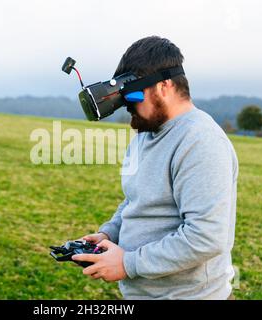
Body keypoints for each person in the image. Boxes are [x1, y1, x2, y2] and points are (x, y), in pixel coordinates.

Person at [72, 35, 238, 300]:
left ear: (164, 86)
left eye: (134, 98)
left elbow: (206, 237)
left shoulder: (200, 141)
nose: (129, 109)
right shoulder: (145, 133)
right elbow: (136, 200)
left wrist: (128, 263)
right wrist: (108, 233)